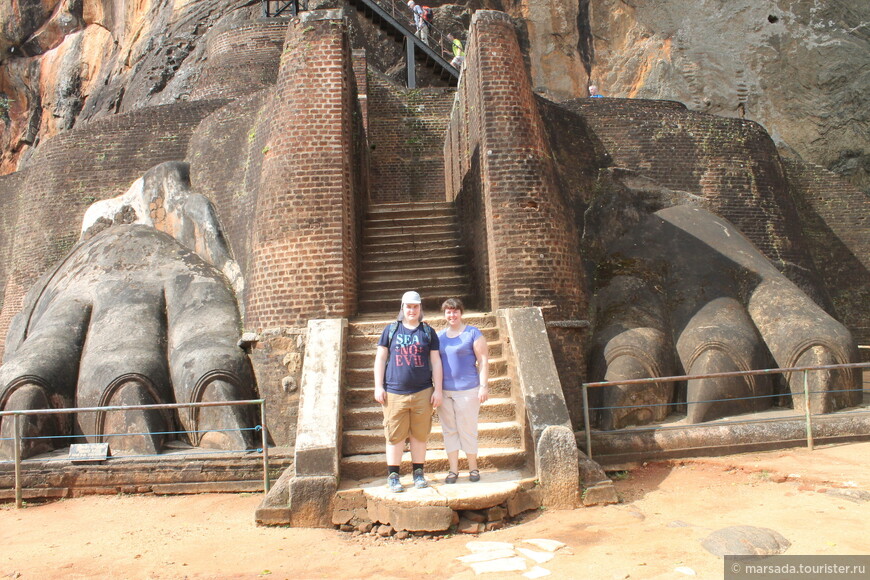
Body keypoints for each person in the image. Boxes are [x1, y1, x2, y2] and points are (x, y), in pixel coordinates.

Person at [373, 291, 443, 492]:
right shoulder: (391, 330)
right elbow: (380, 358)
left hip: (422, 391)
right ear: (402, 308)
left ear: (420, 309)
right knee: (394, 435)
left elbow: (436, 361)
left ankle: (418, 473)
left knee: (419, 435)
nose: (411, 310)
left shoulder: (428, 332)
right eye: (408, 306)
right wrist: (378, 386)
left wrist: (437, 389)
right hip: (395, 391)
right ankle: (393, 475)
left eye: (415, 307)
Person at [437, 298, 489, 483]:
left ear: (461, 312)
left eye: (455, 311)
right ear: (444, 314)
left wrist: (483, 386)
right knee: (449, 430)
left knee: (467, 429)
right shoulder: (440, 336)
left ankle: (473, 468)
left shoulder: (472, 333)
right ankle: (453, 470)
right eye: (448, 312)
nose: (452, 315)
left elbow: (482, 360)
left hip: (468, 390)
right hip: (444, 391)